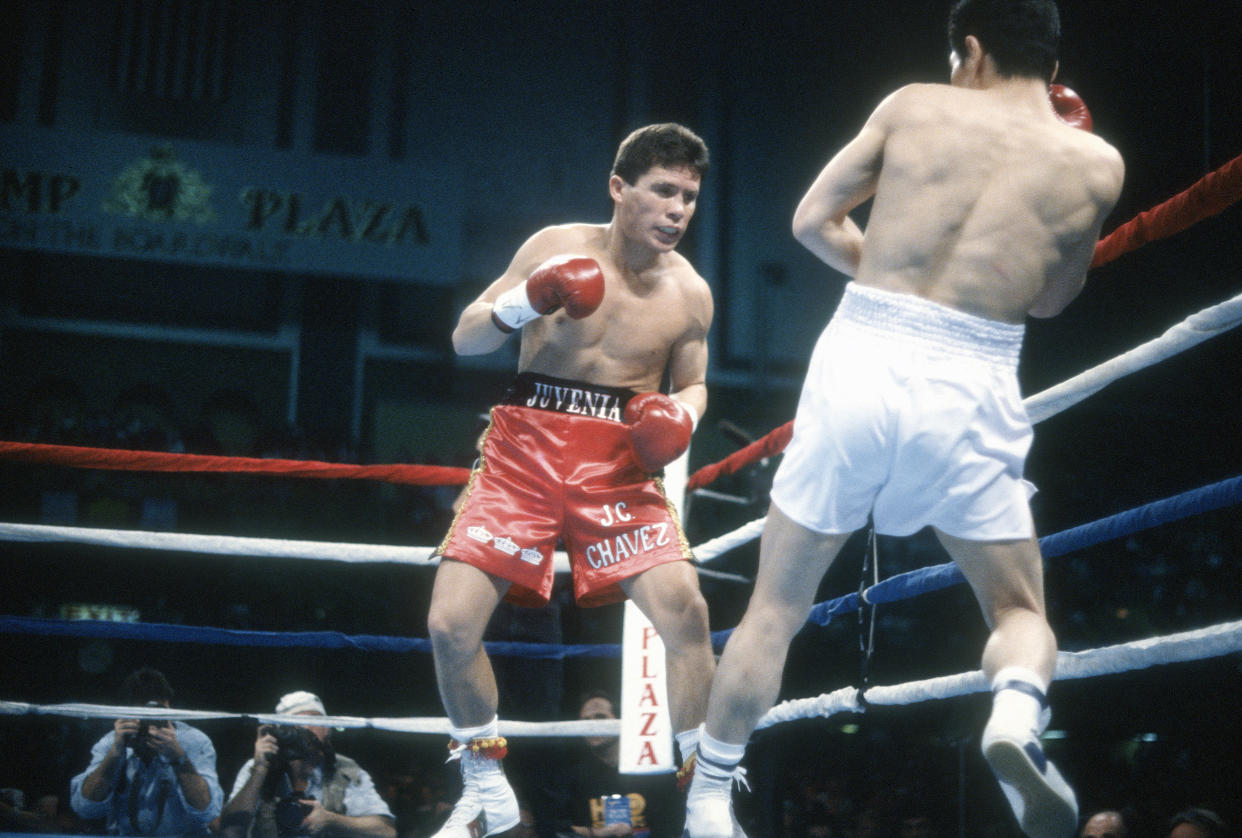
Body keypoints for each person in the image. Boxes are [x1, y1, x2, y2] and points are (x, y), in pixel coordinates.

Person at [684, 2, 1124, 838]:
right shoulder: (1097, 163)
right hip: (977, 371)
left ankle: (710, 798)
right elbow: (1053, 301)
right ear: (1054, 62)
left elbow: (811, 221)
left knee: (777, 603)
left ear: (970, 47)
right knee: (1018, 611)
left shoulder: (914, 103)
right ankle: (1015, 716)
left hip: (864, 351)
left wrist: (892, 275)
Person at [426, 122, 718, 837]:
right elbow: (465, 337)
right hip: (524, 443)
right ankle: (485, 783)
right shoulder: (554, 246)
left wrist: (679, 419)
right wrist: (527, 301)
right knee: (449, 624)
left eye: (689, 196)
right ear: (620, 189)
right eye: (663, 191)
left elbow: (696, 385)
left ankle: (708, 792)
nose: (678, 209)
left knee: (687, 613)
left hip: (616, 458)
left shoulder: (691, 293)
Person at [218, 691, 396, 838]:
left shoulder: (346, 769)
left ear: (327, 729)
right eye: (295, 723)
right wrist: (260, 769)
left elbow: (386, 831)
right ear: (281, 731)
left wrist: (332, 820)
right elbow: (230, 831)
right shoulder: (257, 766)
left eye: (315, 720)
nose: (308, 729)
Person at [69, 667, 224, 835]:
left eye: (158, 713)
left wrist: (179, 758)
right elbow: (84, 808)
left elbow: (207, 812)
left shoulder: (194, 741)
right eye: (145, 714)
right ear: (127, 712)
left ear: (169, 707)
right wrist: (115, 754)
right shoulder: (111, 742)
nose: (151, 721)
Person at [535, 690, 680, 838]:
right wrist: (597, 833)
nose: (592, 726)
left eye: (600, 717)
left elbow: (673, 823)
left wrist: (635, 832)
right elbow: (555, 828)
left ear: (619, 721)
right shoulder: (574, 777)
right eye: (586, 720)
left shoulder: (651, 771)